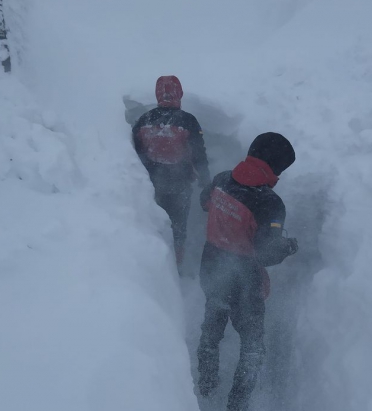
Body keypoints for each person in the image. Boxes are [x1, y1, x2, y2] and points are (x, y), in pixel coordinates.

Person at [196, 132, 299, 411]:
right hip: (244, 283)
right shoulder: (270, 203)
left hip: (212, 269)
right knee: (252, 347)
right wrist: (288, 247)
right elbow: (266, 253)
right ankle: (237, 406)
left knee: (211, 331)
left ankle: (205, 387)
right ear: (276, 167)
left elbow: (204, 202)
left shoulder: (222, 179)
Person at [132, 76, 211, 265]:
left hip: (152, 184)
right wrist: (205, 181)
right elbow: (199, 153)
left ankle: (154, 263)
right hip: (180, 185)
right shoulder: (188, 121)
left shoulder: (145, 119)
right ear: (179, 93)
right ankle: (176, 266)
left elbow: (136, 151)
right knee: (178, 227)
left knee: (154, 225)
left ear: (158, 94)